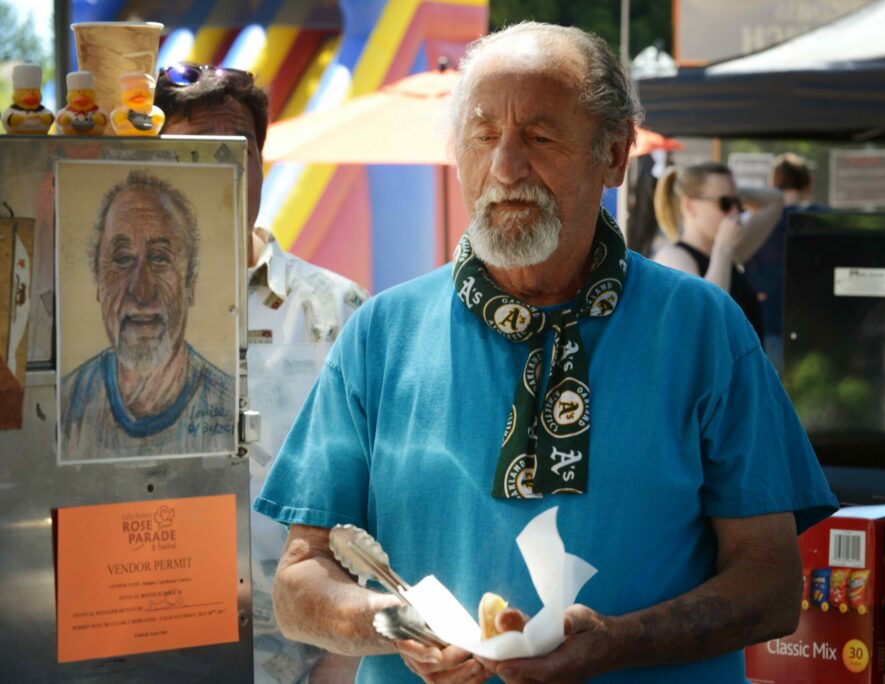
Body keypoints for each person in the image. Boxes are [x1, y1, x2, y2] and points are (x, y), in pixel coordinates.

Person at [255, 22, 837, 684]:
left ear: (615, 155)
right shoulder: (381, 334)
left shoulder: (702, 329)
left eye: (539, 137)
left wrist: (619, 642)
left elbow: (771, 584)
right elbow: (300, 584)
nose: (504, 167)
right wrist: (393, 622)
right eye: (482, 137)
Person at [156, 64, 368, 684]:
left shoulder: (337, 313)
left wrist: (341, 659)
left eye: (235, 151)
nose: (218, 173)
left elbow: (377, 495)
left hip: (301, 666)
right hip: (151, 651)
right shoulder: (113, 312)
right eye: (192, 153)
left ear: (262, 164)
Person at [61, 171, 234, 460]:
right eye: (123, 259)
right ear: (98, 282)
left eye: (161, 258)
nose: (141, 291)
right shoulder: (67, 404)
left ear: (190, 283)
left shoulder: (228, 406)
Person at [651, 162, 783, 343]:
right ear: (690, 207)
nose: (735, 211)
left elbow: (775, 201)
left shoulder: (731, 251)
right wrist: (723, 248)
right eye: (725, 204)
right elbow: (705, 317)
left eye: (737, 203)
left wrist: (733, 193)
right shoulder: (673, 256)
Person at [744, 152, 827, 368]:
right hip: (816, 322)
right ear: (808, 183)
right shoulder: (824, 220)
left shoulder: (756, 222)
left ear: (773, 182)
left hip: (766, 321)